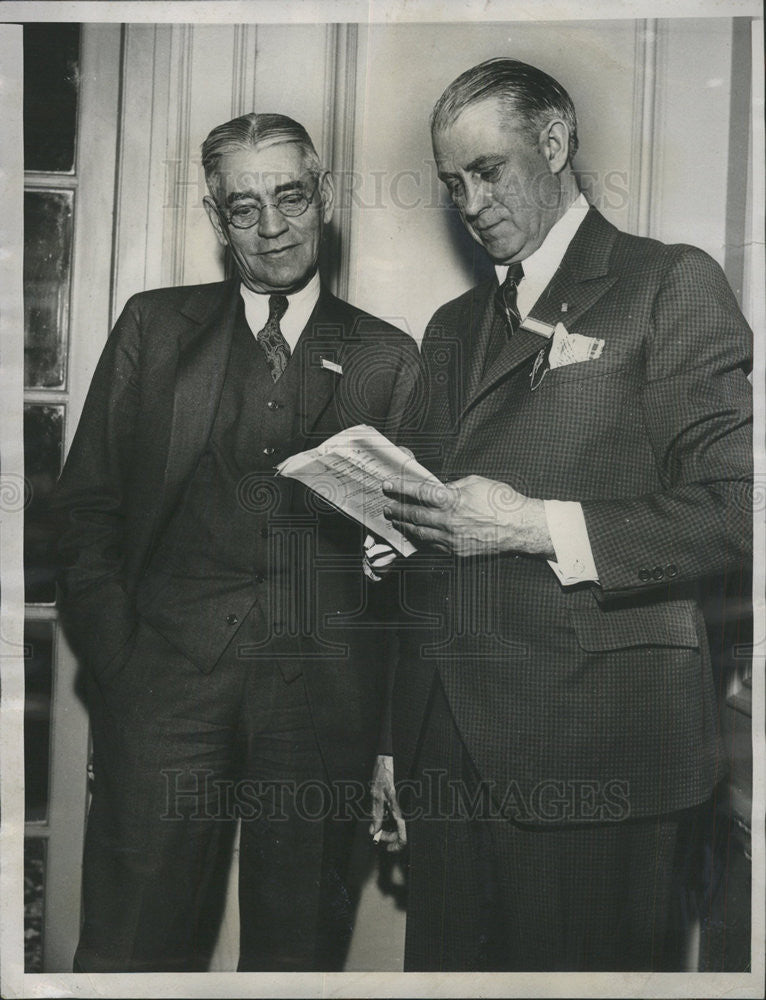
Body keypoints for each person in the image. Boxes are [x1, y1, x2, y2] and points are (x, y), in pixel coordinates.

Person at [376, 58, 753, 971]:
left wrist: (532, 525)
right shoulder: (451, 327)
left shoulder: (668, 282)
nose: (470, 201)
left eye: (489, 171)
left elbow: (737, 509)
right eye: (452, 182)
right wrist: (395, 739)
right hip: (447, 752)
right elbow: (442, 533)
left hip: (598, 748)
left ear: (553, 143)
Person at [52, 112, 419, 972]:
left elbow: (416, 571)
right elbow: (85, 514)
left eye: (290, 196)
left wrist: (392, 738)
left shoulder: (390, 356)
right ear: (217, 222)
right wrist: (123, 667)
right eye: (244, 207)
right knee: (131, 945)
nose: (273, 225)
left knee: (296, 957)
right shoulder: (155, 329)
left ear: (322, 197)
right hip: (164, 686)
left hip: (322, 705)